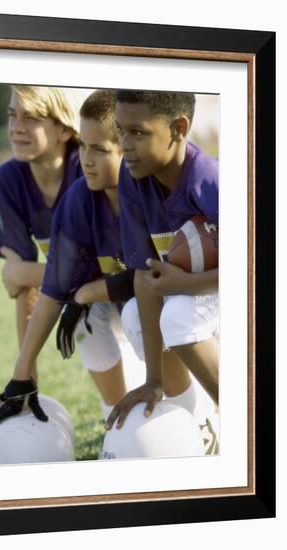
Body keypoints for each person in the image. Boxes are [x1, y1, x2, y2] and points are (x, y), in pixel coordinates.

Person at [0, 90, 199, 433]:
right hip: (125, 302)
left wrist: (86, 291)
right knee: (84, 317)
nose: (86, 159)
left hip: (191, 302)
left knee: (139, 313)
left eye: (99, 149)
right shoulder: (79, 198)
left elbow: (151, 278)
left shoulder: (155, 189)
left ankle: (194, 417)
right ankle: (116, 420)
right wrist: (20, 378)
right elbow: (53, 289)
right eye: (84, 146)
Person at [105, 89, 219, 437]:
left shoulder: (210, 182)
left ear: (179, 128)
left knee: (177, 316)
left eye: (138, 132)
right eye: (120, 130)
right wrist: (152, 380)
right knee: (134, 318)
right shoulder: (132, 177)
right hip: (200, 294)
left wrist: (183, 285)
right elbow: (144, 273)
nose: (124, 143)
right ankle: (200, 427)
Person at [0, 85, 85, 387]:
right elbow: (23, 288)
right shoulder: (6, 181)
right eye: (12, 115)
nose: (16, 128)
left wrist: (25, 272)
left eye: (31, 118)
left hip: (125, 291)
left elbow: (107, 272)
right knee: (83, 320)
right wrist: (25, 380)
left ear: (65, 129)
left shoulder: (88, 168)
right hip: (83, 295)